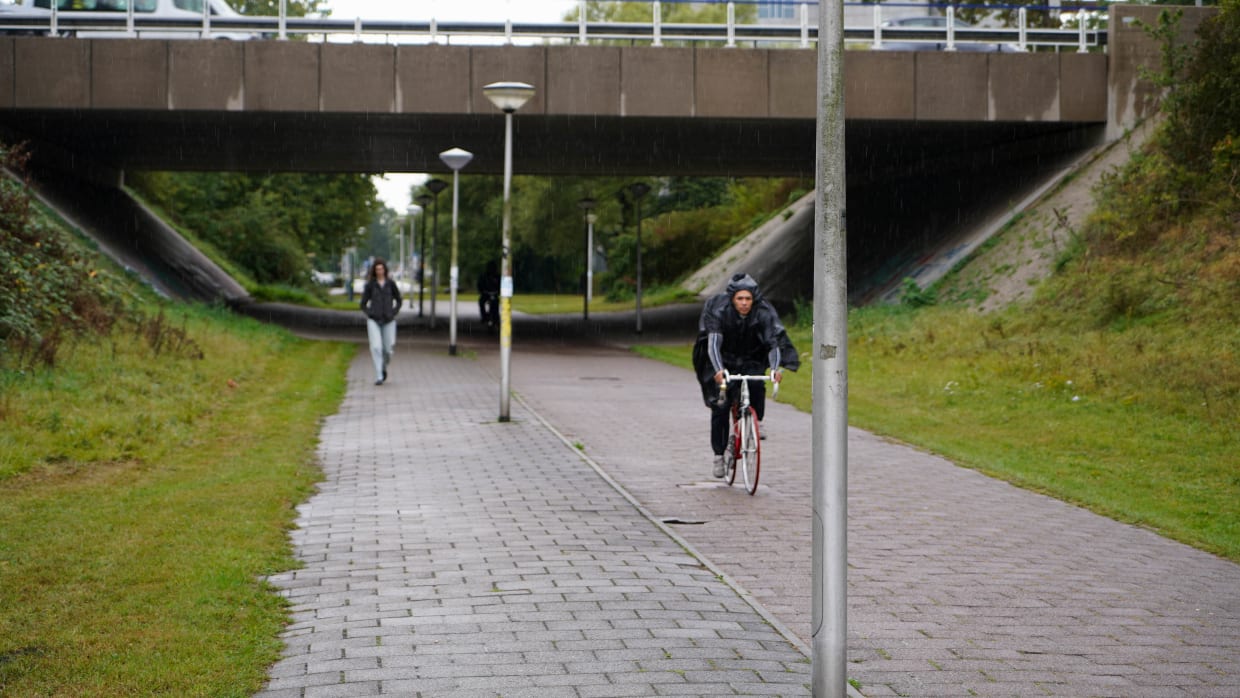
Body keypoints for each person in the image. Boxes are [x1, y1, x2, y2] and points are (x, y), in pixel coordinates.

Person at [692, 273, 799, 478]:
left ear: (753, 299)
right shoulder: (719, 311)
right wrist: (718, 369)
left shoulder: (763, 312)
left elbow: (773, 344)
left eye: (748, 299)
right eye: (740, 299)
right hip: (724, 359)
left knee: (757, 384)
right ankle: (719, 455)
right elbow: (713, 344)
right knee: (721, 405)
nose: (744, 303)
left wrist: (775, 369)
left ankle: (757, 420)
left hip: (751, 357)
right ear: (732, 299)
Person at [360, 258, 402, 386]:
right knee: (376, 347)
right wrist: (370, 313)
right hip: (374, 320)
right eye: (377, 269)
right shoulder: (370, 285)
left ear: (385, 270)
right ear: (374, 271)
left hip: (389, 320)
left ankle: (383, 367)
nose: (379, 271)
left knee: (388, 349)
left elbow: (399, 300)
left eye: (381, 269)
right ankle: (379, 375)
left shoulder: (390, 284)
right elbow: (363, 304)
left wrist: (393, 312)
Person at [476, 260, 500, 329]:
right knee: (481, 302)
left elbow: (500, 285)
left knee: (495, 305)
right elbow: (479, 284)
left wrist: (498, 291)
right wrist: (482, 291)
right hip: (486, 294)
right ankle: (484, 317)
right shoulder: (484, 276)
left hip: (494, 294)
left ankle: (496, 318)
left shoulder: (497, 276)